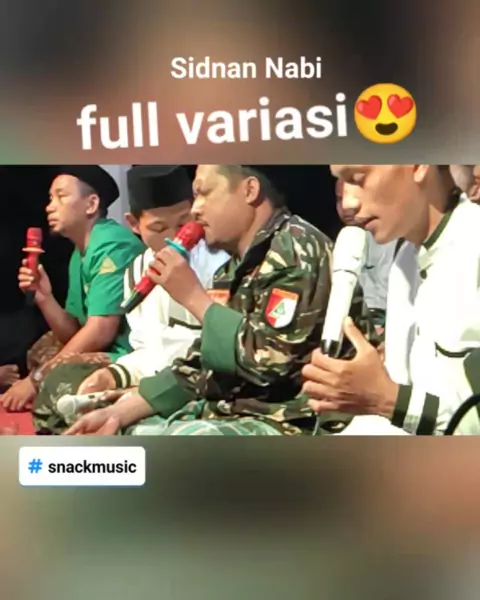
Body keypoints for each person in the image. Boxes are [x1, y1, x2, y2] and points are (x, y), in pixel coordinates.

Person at [65, 164, 376, 437]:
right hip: (236, 411)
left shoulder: (295, 249)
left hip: (295, 419)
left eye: (204, 194)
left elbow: (268, 363)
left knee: (184, 443)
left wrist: (193, 297)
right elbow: (201, 365)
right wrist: (119, 413)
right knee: (123, 430)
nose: (196, 210)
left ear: (249, 190)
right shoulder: (235, 266)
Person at [32, 164, 229, 433]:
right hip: (152, 378)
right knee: (65, 390)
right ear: (134, 225)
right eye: (158, 227)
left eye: (184, 223)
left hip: (197, 384)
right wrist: (113, 376)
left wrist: (143, 393)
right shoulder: (138, 270)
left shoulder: (223, 263)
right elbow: (148, 347)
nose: (175, 237)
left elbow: (215, 353)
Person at [303, 165, 480, 435]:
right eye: (341, 183)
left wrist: (387, 399)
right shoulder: (404, 262)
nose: (348, 203)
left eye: (358, 179)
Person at [0, 165, 145, 412]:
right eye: (50, 198)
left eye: (61, 196)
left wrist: (35, 381)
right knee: (41, 350)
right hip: (106, 348)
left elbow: (101, 330)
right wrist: (44, 297)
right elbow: (71, 332)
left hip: (133, 352)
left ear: (91, 204)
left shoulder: (112, 244)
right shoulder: (79, 252)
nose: (50, 206)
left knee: (59, 380)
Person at [335, 179, 395, 333]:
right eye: (339, 199)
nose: (345, 207)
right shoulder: (343, 242)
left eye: (355, 196)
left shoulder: (390, 237)